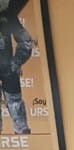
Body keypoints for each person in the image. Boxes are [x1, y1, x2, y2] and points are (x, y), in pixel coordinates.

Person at [0, 1, 33, 136]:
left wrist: (16, 62)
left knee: (15, 101)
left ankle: (21, 129)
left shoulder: (8, 18)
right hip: (9, 69)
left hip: (8, 71)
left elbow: (26, 41)